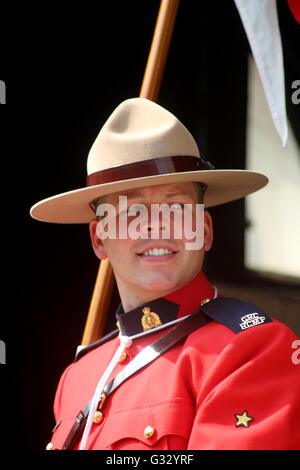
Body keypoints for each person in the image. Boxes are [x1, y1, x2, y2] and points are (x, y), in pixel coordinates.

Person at [30, 98, 300, 450]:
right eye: (131, 211)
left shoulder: (251, 348)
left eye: (176, 207)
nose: (157, 227)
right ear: (99, 238)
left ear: (204, 229)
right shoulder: (79, 376)